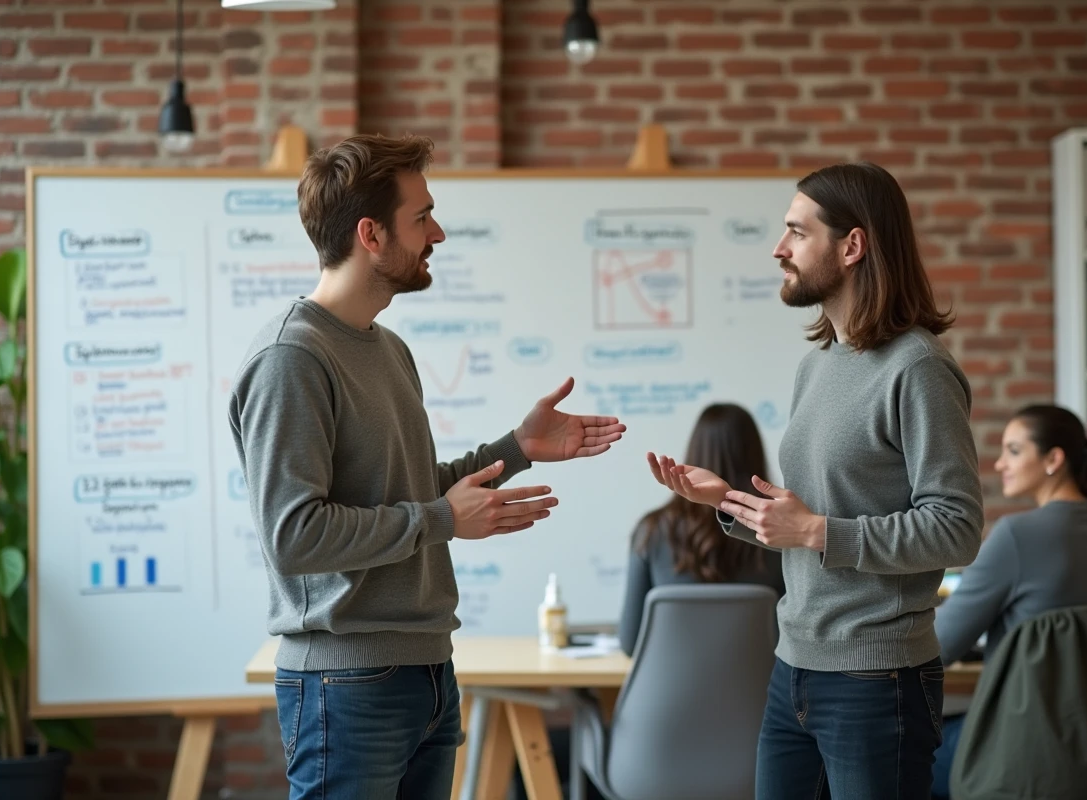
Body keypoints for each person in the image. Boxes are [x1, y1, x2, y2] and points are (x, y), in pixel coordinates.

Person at [228, 133, 626, 800]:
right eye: (422, 216)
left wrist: (517, 448)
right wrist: (441, 520)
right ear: (371, 235)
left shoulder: (389, 349)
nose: (437, 231)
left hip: (427, 672)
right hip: (345, 682)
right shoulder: (291, 359)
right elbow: (295, 537)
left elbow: (403, 492)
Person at [647, 161, 984, 799]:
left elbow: (958, 527)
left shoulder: (916, 369)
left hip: (878, 678)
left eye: (797, 233)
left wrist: (819, 530)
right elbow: (805, 526)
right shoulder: (818, 364)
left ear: (851, 246)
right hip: (793, 667)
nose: (779, 249)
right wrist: (727, 501)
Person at [930, 405, 1087, 799]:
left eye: (1013, 451)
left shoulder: (1017, 535)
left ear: (1053, 459)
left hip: (1025, 753)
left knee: (898, 755)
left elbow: (937, 646)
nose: (999, 464)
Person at [620, 403, 784, 655]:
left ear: (694, 453)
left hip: (670, 692)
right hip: (762, 691)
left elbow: (631, 643)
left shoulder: (651, 530)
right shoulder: (780, 531)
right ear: (755, 455)